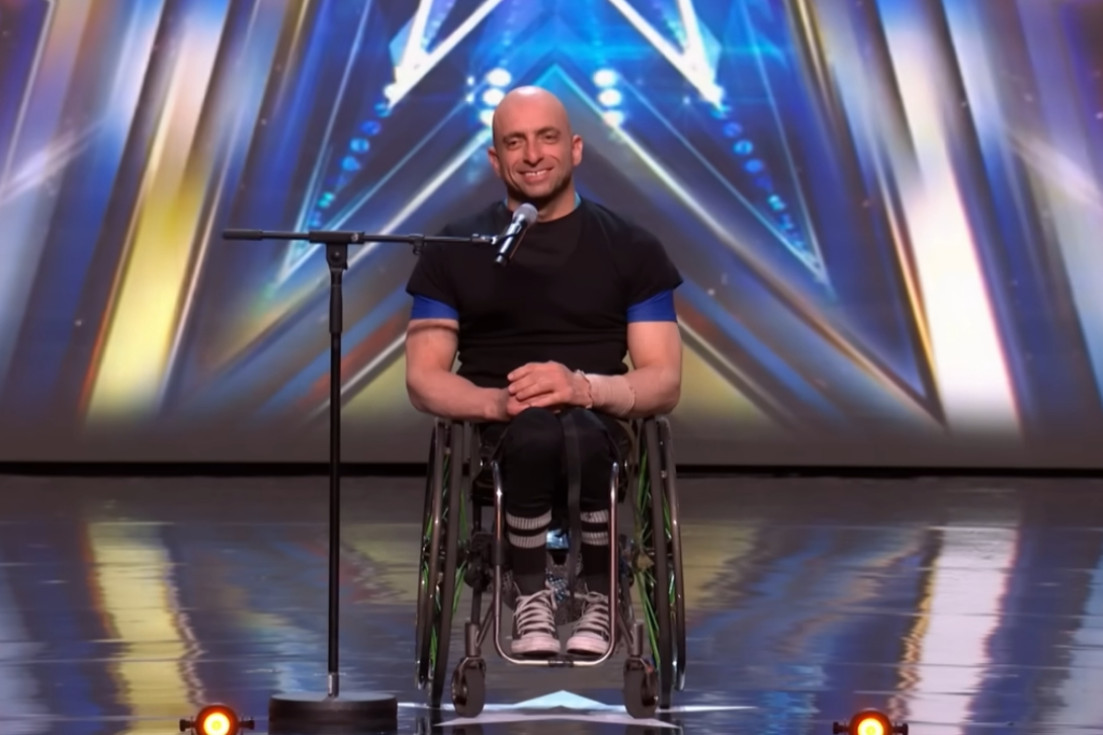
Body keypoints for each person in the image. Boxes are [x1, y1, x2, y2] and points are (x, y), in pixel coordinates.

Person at [403, 86, 683, 658]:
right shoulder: (453, 247)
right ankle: (530, 595)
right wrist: (498, 404)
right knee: (533, 431)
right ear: (495, 159)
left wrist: (583, 388)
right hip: (500, 429)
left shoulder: (632, 247)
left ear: (575, 149)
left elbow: (664, 379)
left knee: (579, 430)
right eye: (515, 142)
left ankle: (598, 591)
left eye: (547, 137)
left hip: (599, 420)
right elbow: (424, 377)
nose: (532, 154)